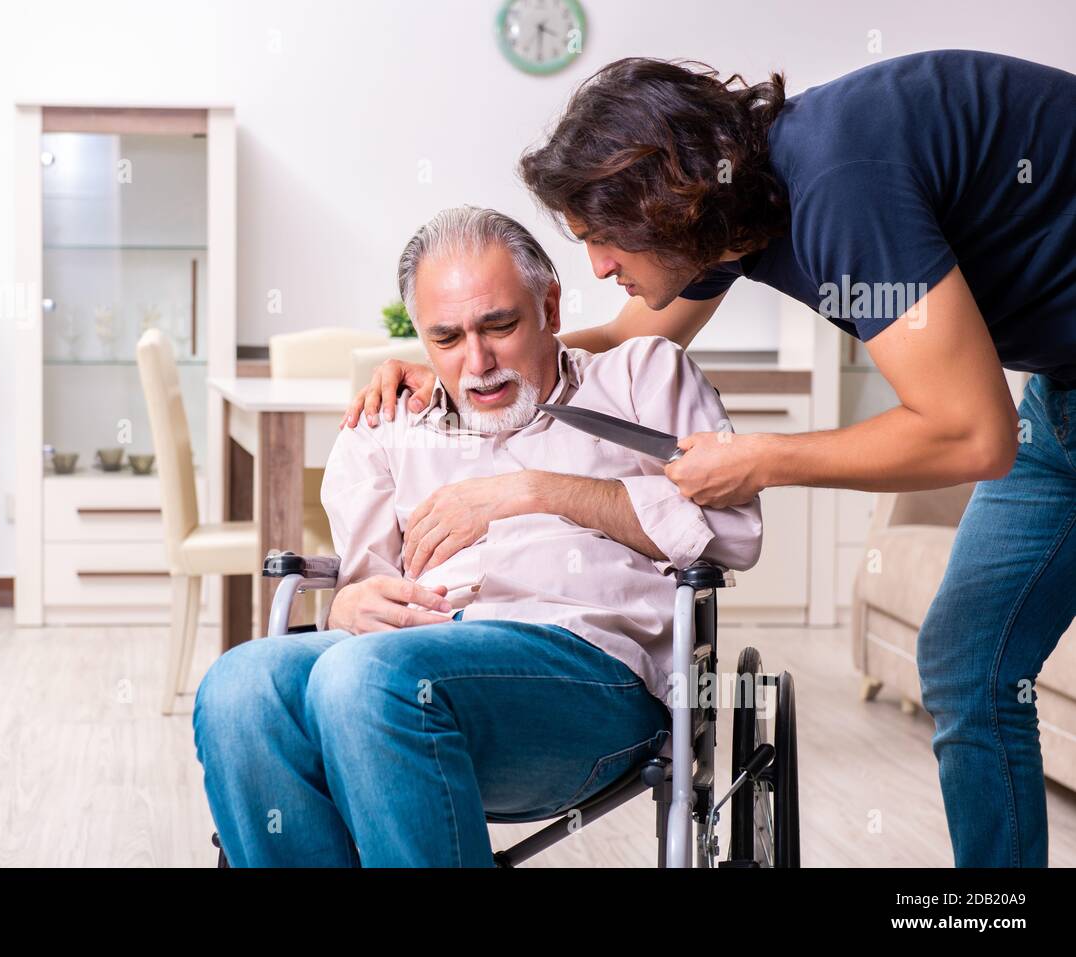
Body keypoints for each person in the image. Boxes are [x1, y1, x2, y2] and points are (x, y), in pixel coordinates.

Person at [344, 50, 1076, 868]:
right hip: (1065, 388)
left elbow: (974, 433)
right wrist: (459, 365)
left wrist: (758, 458)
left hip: (1036, 401)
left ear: (662, 206)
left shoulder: (840, 185)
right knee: (970, 661)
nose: (601, 267)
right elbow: (627, 337)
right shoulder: (729, 210)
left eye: (604, 239)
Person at [193, 206, 761, 866]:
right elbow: (359, 593)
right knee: (239, 686)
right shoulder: (388, 427)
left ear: (549, 305)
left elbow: (732, 532)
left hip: (588, 678)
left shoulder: (643, 379)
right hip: (398, 675)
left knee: (366, 675)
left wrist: (535, 490)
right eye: (448, 338)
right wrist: (348, 603)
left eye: (500, 325)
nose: (478, 362)